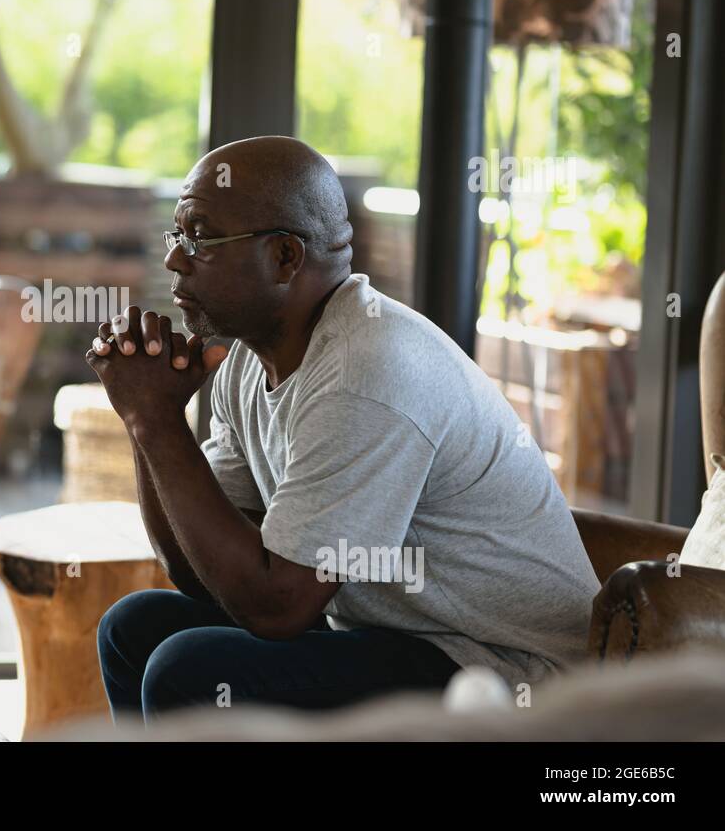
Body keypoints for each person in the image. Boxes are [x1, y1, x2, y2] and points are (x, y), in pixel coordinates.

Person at [86, 135, 600, 726]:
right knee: (133, 629)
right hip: (393, 638)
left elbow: (277, 610)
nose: (175, 259)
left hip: (504, 671)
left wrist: (154, 422)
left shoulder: (365, 372)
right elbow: (197, 575)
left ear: (284, 256)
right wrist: (149, 420)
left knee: (191, 667)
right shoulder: (249, 363)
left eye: (200, 236)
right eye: (177, 235)